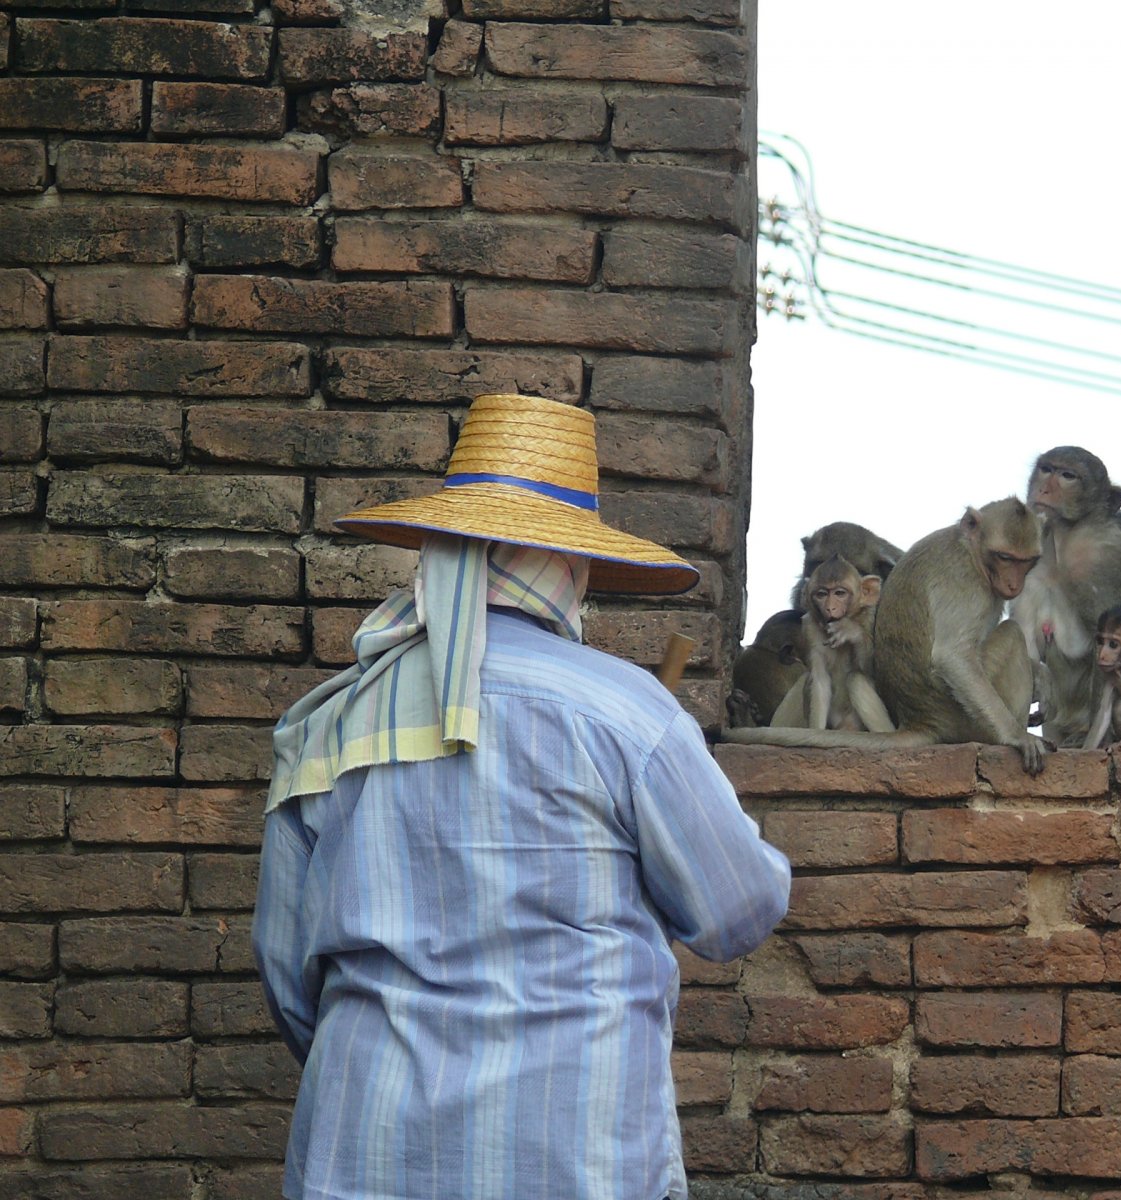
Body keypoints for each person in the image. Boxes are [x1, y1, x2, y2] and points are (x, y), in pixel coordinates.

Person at [252, 393, 791, 1200]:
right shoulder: (628, 714)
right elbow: (737, 911)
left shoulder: (332, 720)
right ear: (565, 567)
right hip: (576, 1160)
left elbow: (287, 974)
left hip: (361, 1154)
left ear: (440, 548)